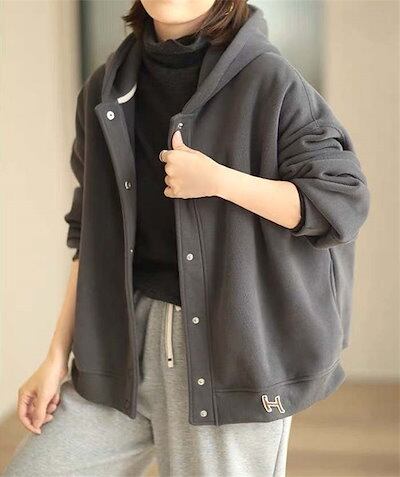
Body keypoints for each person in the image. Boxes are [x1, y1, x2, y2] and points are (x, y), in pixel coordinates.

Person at [3, 0, 370, 476]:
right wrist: (56, 356)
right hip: (120, 346)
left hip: (230, 354)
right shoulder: (104, 89)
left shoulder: (270, 81)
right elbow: (88, 234)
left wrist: (219, 181)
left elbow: (340, 202)